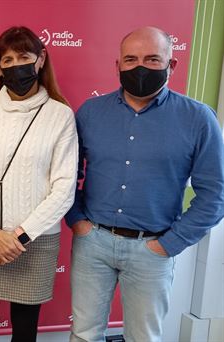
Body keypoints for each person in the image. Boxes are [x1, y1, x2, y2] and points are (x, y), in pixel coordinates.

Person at [65, 26, 224, 342]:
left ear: (171, 64)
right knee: (84, 334)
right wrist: (77, 221)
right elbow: (67, 176)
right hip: (92, 242)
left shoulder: (198, 119)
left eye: (152, 59)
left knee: (144, 337)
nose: (140, 67)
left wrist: (170, 244)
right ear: (118, 65)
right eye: (131, 59)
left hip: (152, 248)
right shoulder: (90, 113)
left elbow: (215, 194)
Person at [0, 26, 78, 342]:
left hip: (33, 242)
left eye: (23, 57)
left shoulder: (60, 115)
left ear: (40, 60)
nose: (15, 65)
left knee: (25, 332)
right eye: (6, 60)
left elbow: (63, 188)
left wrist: (18, 237)